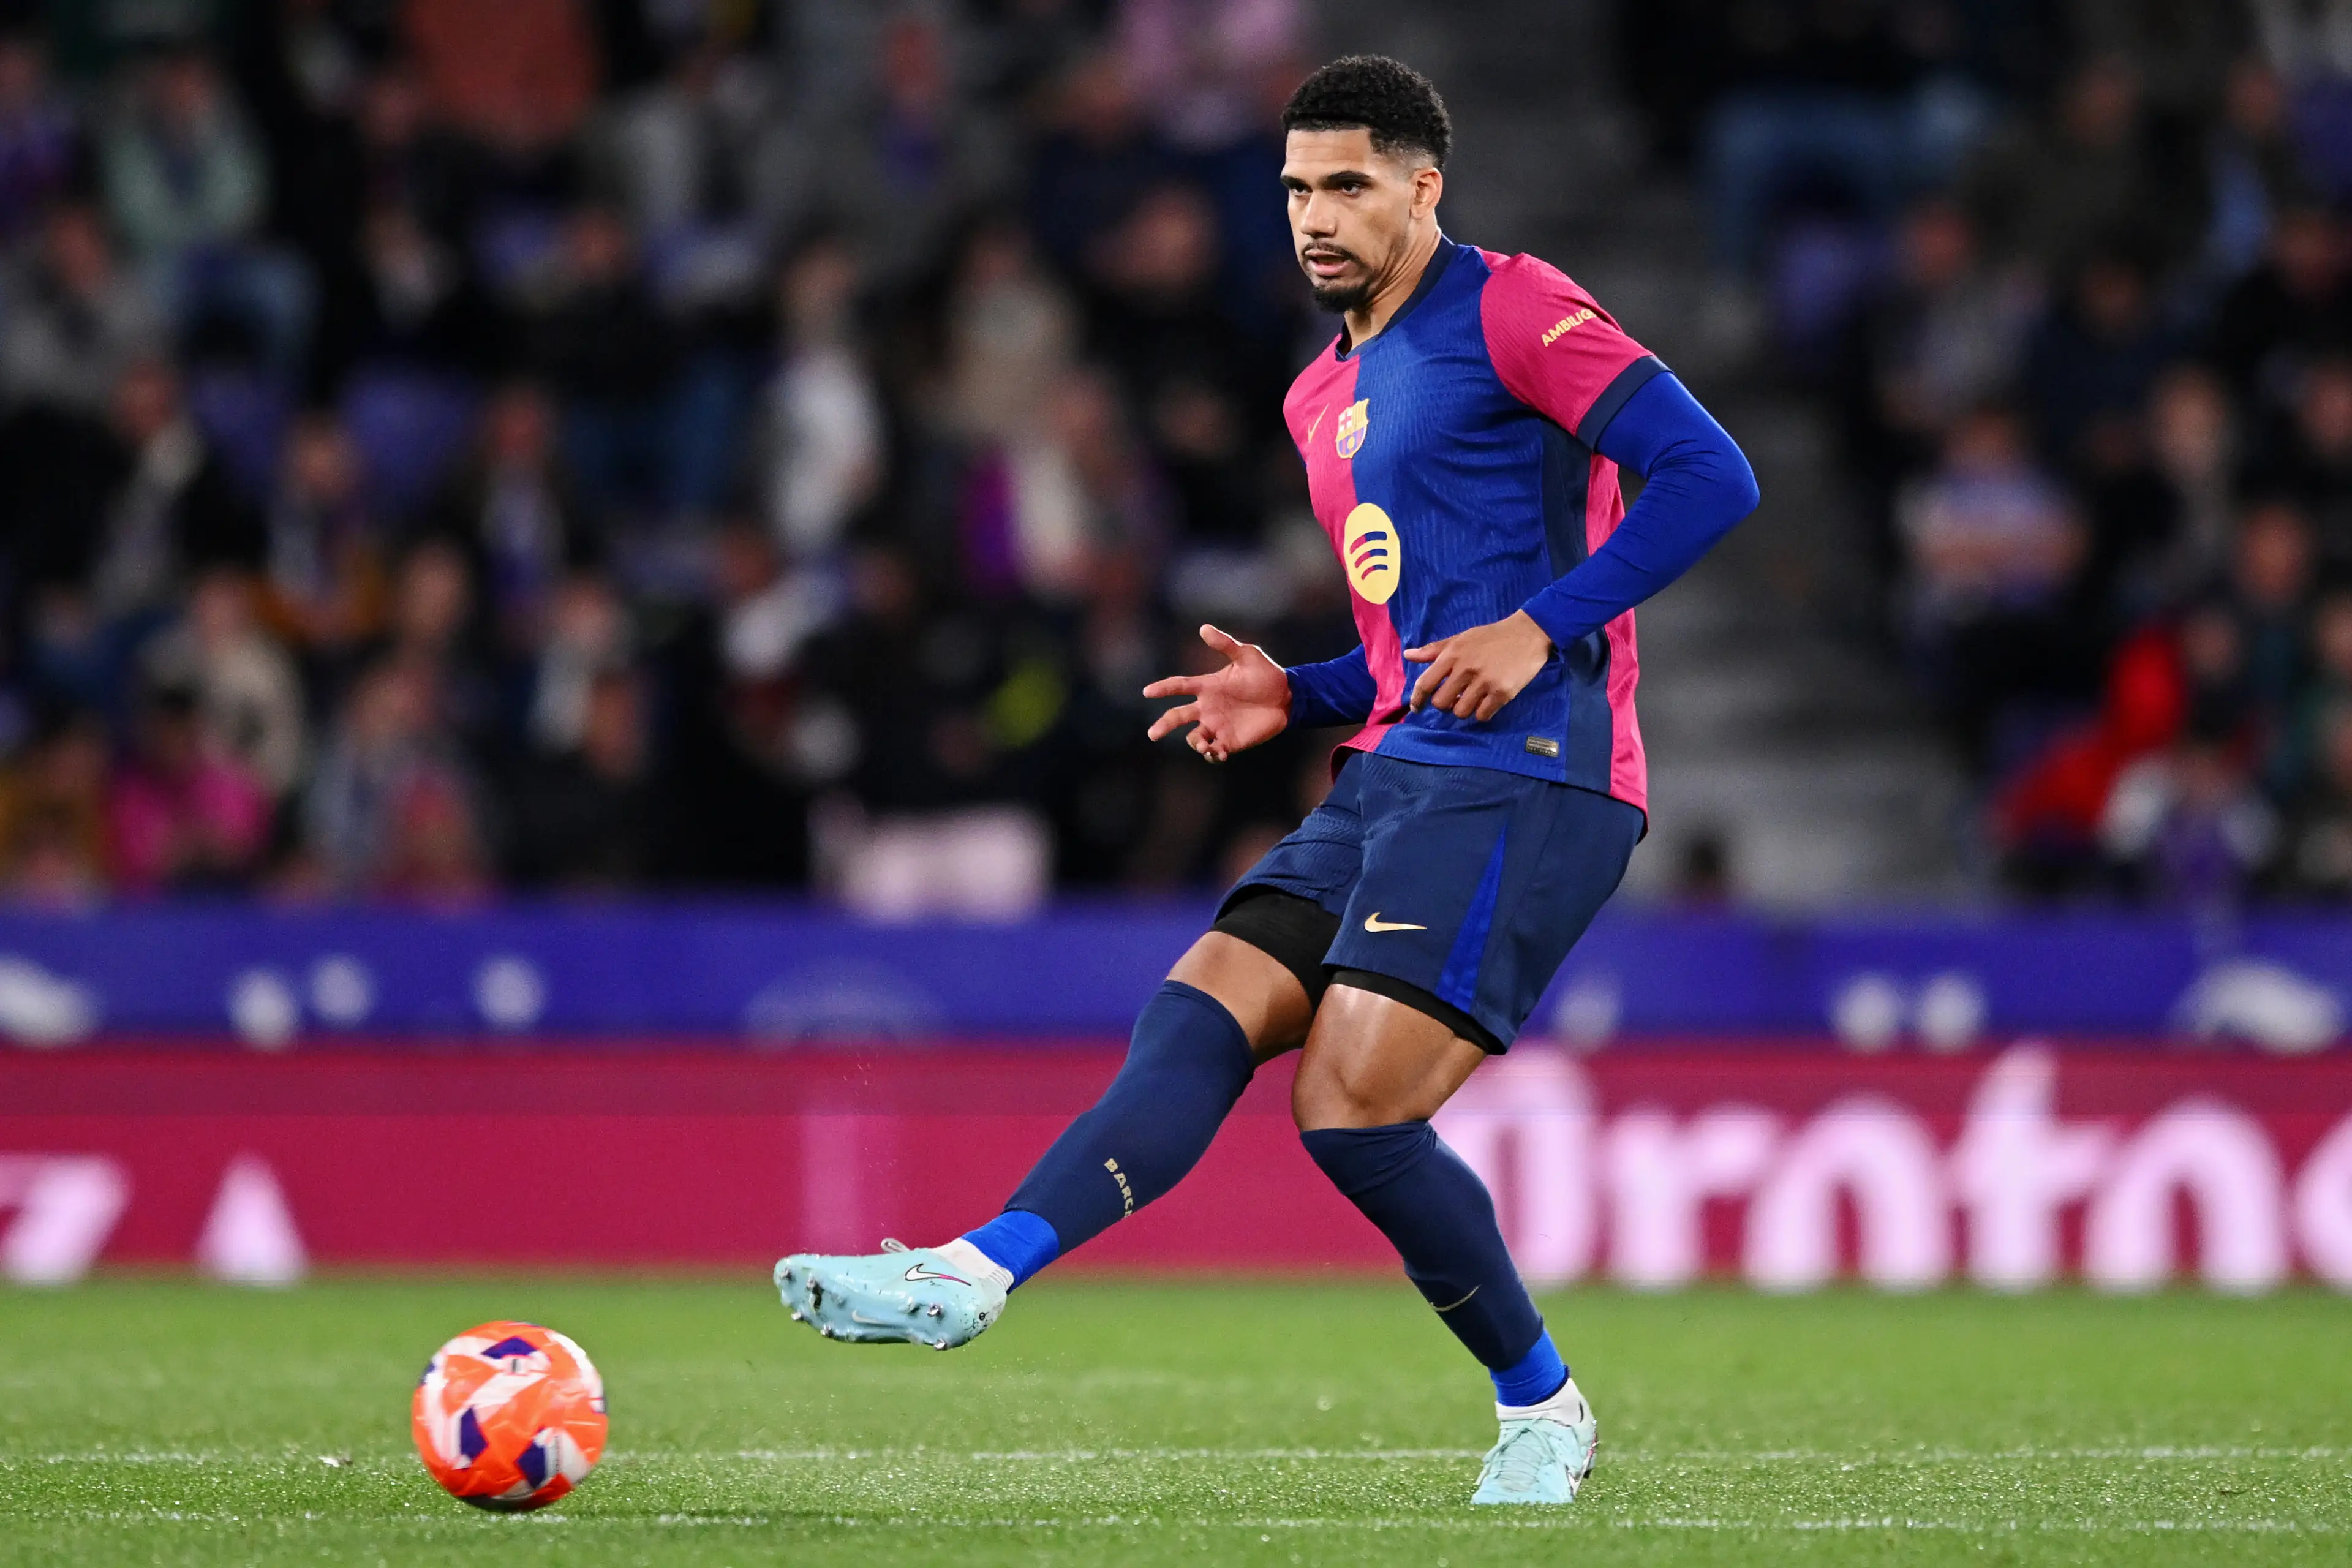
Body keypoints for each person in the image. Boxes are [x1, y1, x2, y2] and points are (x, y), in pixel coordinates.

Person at [772, 56, 1758, 1508]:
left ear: (1426, 189)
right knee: (1199, 1007)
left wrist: (1540, 621)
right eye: (1297, 187)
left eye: (1350, 184)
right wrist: (1294, 692)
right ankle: (975, 1269)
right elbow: (1407, 647)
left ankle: (1543, 1406)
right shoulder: (1322, 393)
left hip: (1537, 772)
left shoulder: (1516, 306)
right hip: (1392, 768)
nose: (1316, 215)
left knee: (1353, 1107)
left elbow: (1710, 475)